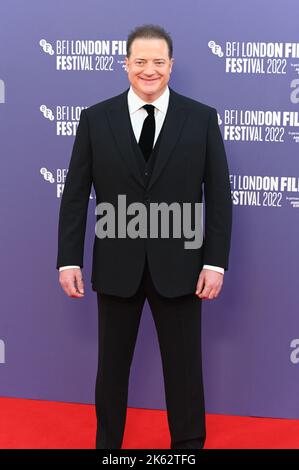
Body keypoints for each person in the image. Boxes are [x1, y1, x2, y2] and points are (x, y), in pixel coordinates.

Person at [57, 24, 232, 449]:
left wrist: (214, 262)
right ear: (126, 65)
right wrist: (68, 259)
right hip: (117, 267)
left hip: (183, 268)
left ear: (170, 65)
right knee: (112, 371)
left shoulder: (201, 118)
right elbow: (76, 194)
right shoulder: (96, 119)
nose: (149, 70)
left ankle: (187, 451)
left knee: (185, 372)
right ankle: (109, 449)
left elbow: (220, 196)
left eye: (158, 62)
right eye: (140, 61)